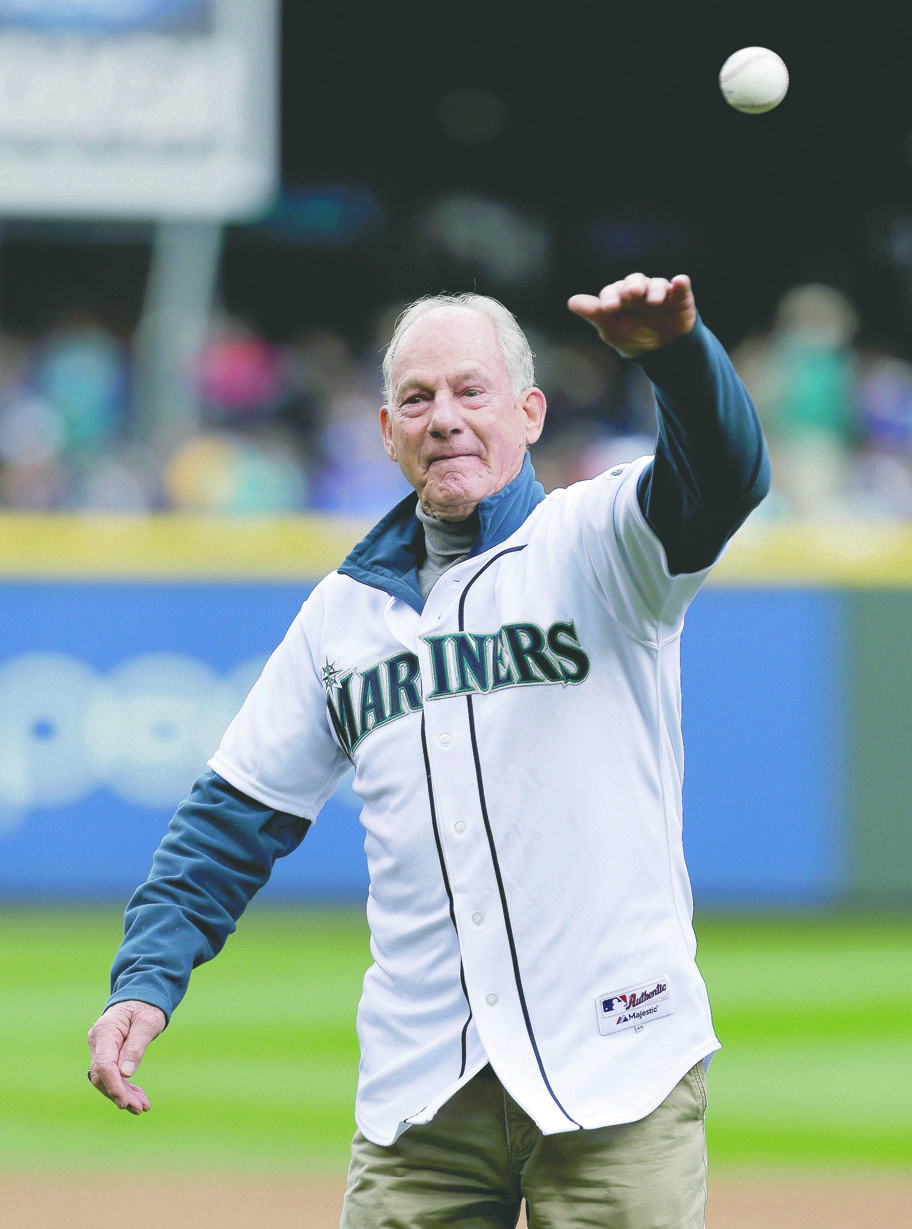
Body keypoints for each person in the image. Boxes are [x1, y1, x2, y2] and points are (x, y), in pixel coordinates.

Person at [88, 272, 769, 1228]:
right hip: (423, 1095)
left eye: (470, 391)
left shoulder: (605, 543)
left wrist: (677, 356)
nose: (443, 417)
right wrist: (146, 979)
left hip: (617, 1066)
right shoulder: (343, 615)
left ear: (530, 412)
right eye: (417, 398)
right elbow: (231, 817)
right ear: (385, 431)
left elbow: (729, 476)